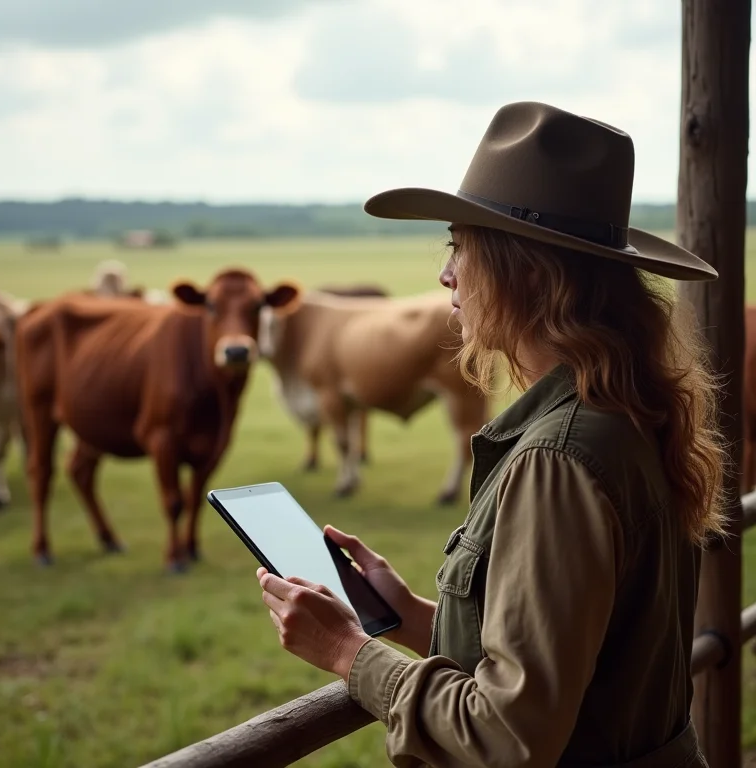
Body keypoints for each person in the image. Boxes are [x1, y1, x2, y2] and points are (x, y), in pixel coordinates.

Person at [257, 101, 727, 767]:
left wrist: (347, 652)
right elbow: (573, 654)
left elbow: (510, 736)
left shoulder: (559, 457)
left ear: (524, 272)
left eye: (460, 247)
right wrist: (415, 614)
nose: (446, 275)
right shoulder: (623, 413)